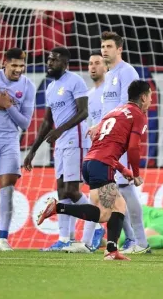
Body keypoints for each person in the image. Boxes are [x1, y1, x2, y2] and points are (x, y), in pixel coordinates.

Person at [37, 80, 152, 261]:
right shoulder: (137, 115)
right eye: (150, 96)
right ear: (144, 97)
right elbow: (133, 148)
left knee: (104, 214)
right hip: (102, 165)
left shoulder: (113, 113)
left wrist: (122, 170)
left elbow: (104, 145)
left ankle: (59, 207)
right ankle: (112, 251)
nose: (151, 101)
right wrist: (136, 173)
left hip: (90, 164)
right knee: (119, 206)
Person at [24, 47, 91, 251]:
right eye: (49, 59)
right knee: (62, 192)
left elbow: (84, 112)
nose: (49, 63)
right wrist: (33, 150)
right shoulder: (51, 87)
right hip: (61, 143)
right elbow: (46, 122)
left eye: (53, 60)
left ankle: (96, 221)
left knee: (72, 189)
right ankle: (64, 239)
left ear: (64, 62)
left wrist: (60, 130)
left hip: (75, 139)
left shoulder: (75, 80)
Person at [88, 31, 148, 254]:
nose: (105, 50)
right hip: (109, 138)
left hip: (121, 138)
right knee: (114, 192)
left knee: (124, 188)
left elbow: (126, 106)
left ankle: (140, 241)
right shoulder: (110, 74)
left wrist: (102, 125)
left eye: (109, 46)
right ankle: (133, 240)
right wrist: (98, 126)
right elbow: (108, 109)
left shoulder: (127, 71)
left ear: (119, 49)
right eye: (103, 46)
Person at [0, 48, 35, 251]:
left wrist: (8, 106)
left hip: (11, 141)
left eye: (22, 66)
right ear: (5, 63)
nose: (18, 70)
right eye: (14, 65)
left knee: (7, 191)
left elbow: (26, 123)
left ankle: (3, 238)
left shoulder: (28, 86)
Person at [63, 52, 107, 253]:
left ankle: (89, 239)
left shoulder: (111, 91)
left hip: (108, 152)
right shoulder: (87, 96)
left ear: (105, 67)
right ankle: (133, 239)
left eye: (97, 63)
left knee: (101, 197)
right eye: (90, 63)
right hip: (92, 152)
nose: (93, 67)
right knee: (101, 198)